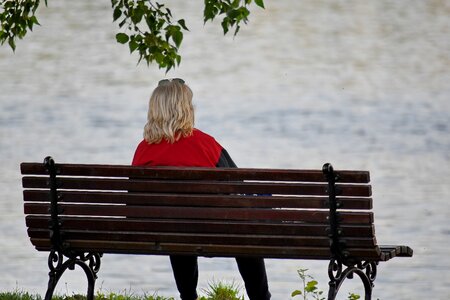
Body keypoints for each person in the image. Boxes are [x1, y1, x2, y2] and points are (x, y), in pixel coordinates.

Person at [132, 78, 271, 300]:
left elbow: (134, 204)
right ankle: (261, 298)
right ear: (185, 109)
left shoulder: (143, 150)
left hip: (166, 232)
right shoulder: (205, 145)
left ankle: (188, 296)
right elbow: (237, 189)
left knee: (177, 226)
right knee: (245, 233)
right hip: (213, 230)